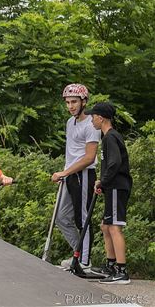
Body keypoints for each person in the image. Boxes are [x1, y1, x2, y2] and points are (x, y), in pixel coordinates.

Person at [51, 84, 100, 269]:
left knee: (83, 218)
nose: (70, 106)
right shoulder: (69, 123)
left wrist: (65, 172)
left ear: (84, 102)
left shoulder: (91, 124)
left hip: (84, 174)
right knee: (61, 218)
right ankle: (77, 255)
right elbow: (71, 152)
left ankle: (84, 262)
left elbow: (89, 157)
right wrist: (65, 173)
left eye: (74, 102)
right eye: (68, 102)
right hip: (69, 175)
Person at [86, 102, 133, 284]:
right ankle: (111, 265)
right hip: (111, 187)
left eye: (93, 117)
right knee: (106, 226)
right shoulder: (108, 137)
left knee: (114, 227)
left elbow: (114, 163)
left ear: (101, 118)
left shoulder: (110, 137)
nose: (91, 120)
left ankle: (121, 271)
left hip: (116, 186)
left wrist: (102, 181)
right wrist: (103, 184)